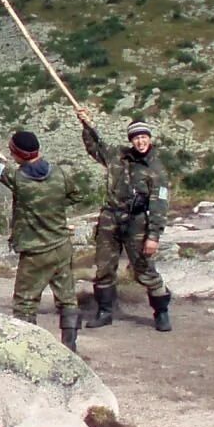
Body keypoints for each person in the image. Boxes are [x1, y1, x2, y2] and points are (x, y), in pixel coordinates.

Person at [0, 125, 90, 352]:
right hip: (61, 246)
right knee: (67, 299)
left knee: (25, 303)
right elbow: (77, 194)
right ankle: (70, 348)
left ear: (19, 155)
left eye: (13, 152)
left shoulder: (18, 179)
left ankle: (27, 350)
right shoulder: (59, 173)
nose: (11, 155)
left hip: (35, 252)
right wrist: (53, 206)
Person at [79, 113, 172, 332]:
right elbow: (95, 147)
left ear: (149, 138)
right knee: (104, 268)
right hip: (110, 219)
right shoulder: (117, 156)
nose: (140, 141)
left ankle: (161, 312)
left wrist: (153, 236)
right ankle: (104, 312)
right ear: (131, 140)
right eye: (136, 138)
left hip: (137, 222)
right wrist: (85, 124)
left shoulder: (157, 170)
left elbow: (160, 205)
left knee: (144, 269)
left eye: (144, 137)